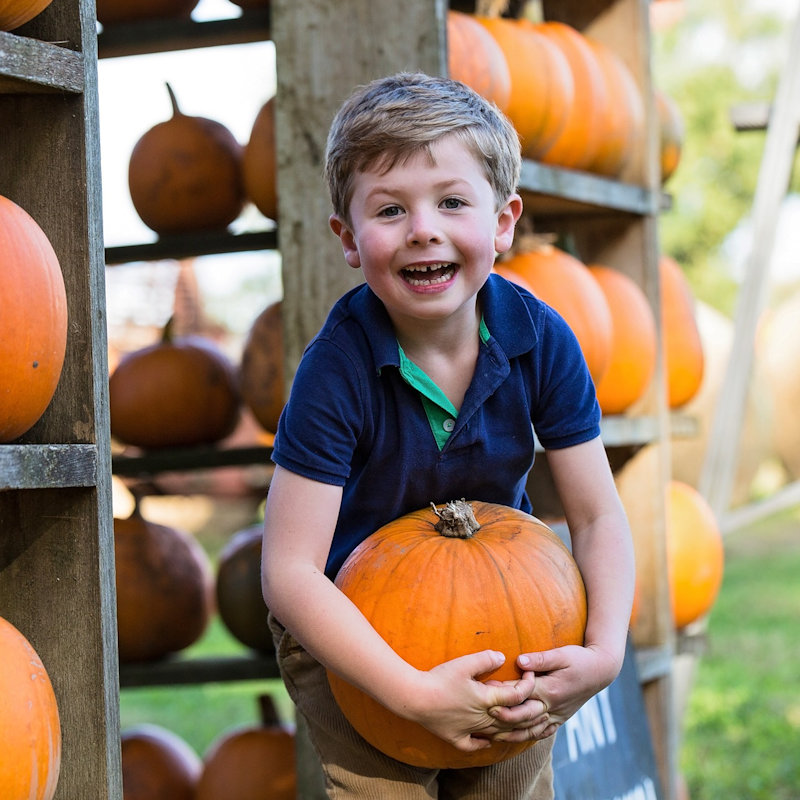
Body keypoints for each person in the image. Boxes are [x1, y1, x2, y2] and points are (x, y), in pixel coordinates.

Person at [261, 71, 635, 799]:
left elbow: (596, 515)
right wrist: (408, 692)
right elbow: (291, 574)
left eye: (452, 202)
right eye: (391, 209)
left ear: (503, 222)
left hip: (508, 612)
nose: (423, 228)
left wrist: (607, 650)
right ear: (348, 238)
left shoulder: (540, 339)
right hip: (352, 628)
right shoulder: (336, 370)